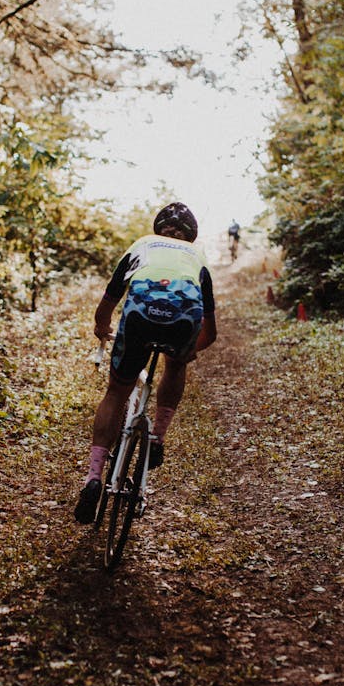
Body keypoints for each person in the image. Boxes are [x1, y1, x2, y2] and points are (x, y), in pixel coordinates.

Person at [74, 202, 218, 525]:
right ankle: (157, 439)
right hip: (183, 320)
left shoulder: (142, 245)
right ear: (190, 236)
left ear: (158, 229)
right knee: (175, 366)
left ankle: (94, 477)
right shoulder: (197, 257)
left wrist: (102, 328)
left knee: (116, 392)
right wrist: (186, 352)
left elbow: (107, 303)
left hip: (138, 317)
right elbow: (210, 333)